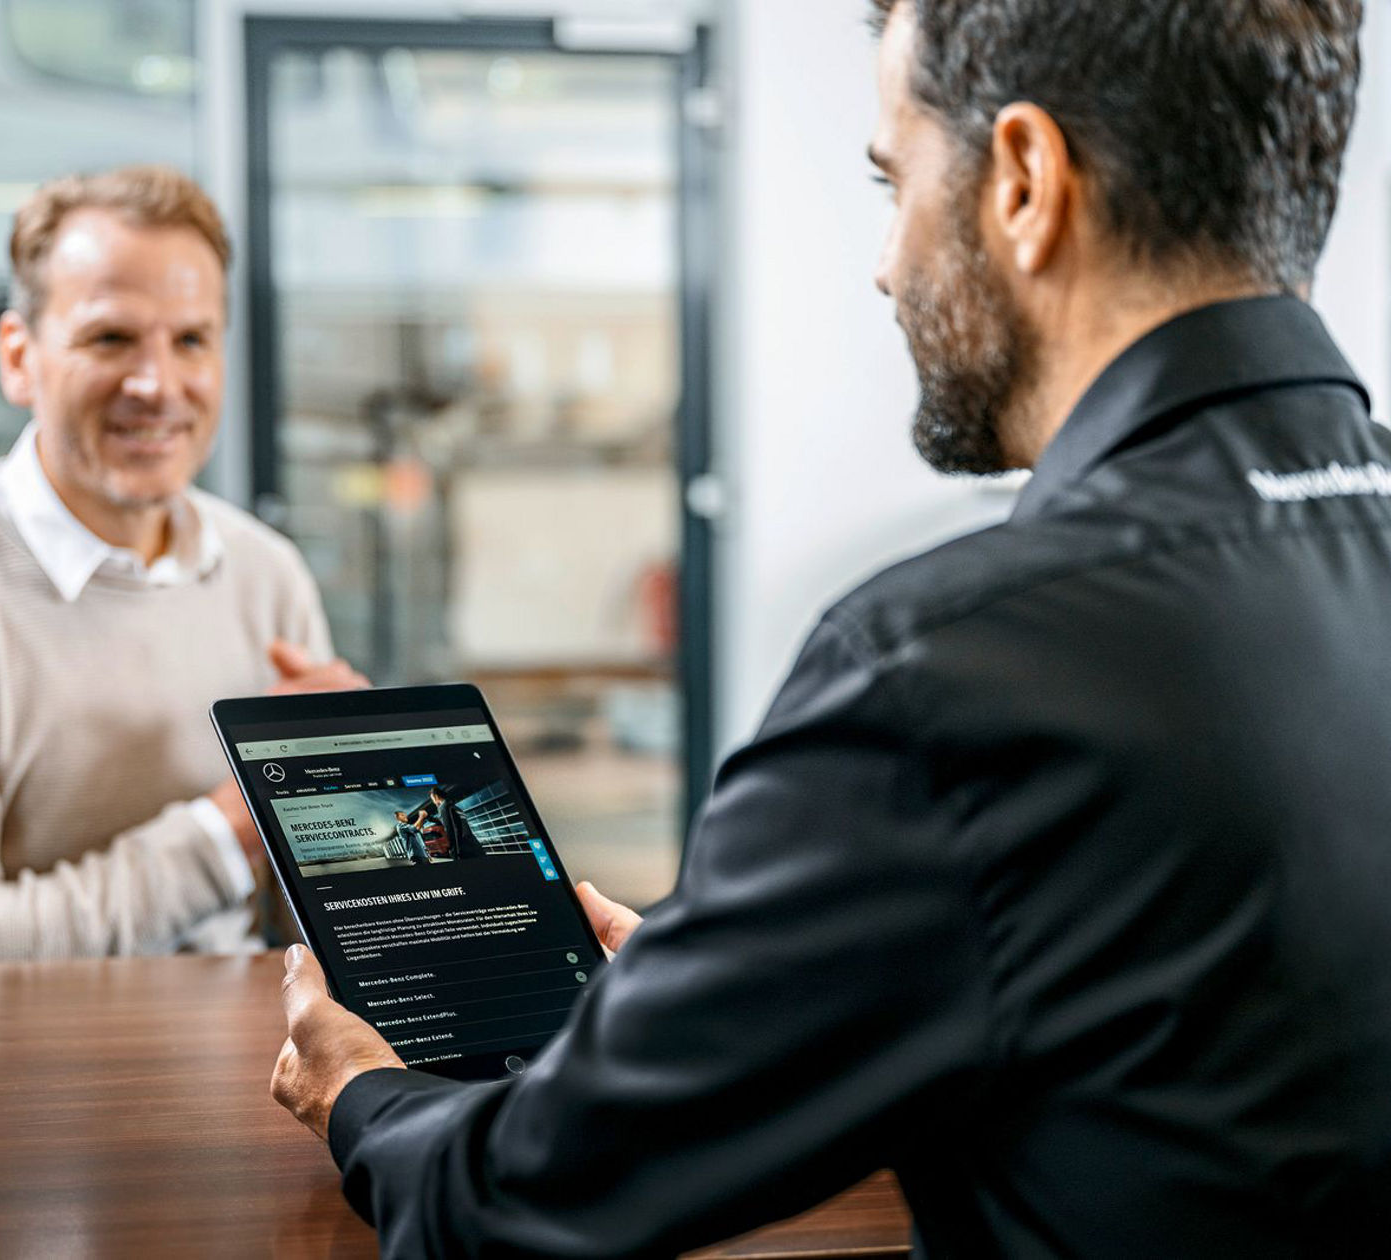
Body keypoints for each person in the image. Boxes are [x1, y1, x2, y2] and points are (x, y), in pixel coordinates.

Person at [268, 1, 1391, 1256]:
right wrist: (760, 985)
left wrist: (363, 1091)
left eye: (891, 179)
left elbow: (518, 1203)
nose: (885, 263)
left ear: (1023, 180)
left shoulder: (950, 667)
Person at [0, 166, 364, 967]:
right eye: (111, 338)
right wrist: (236, 829)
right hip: (3, 1083)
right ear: (19, 357)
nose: (157, 385)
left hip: (249, 1064)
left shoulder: (263, 573)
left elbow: (321, 918)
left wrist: (363, 803)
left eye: (191, 340)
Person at [427, 785, 485, 860]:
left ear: (436, 797)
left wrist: (455, 852)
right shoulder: (455, 807)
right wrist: (429, 818)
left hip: (463, 850)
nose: (434, 802)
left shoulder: (443, 808)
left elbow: (450, 831)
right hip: (474, 845)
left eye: (433, 799)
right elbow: (449, 821)